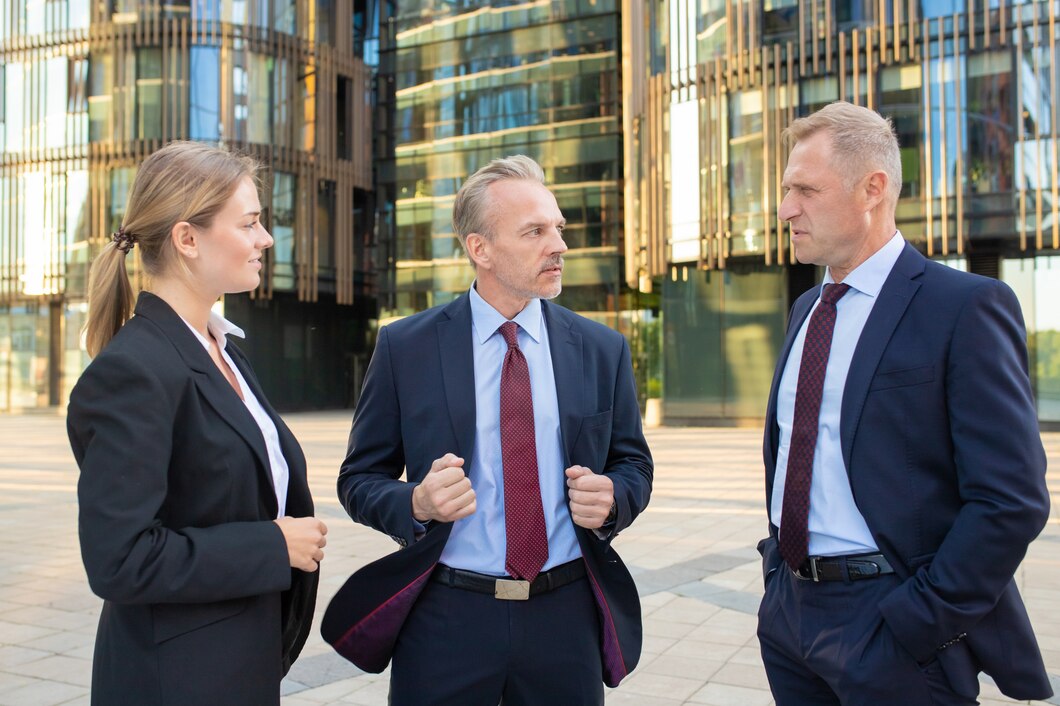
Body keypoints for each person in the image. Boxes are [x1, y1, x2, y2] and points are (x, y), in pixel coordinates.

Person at [323, 155, 653, 705]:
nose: (559, 246)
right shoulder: (406, 347)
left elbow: (633, 463)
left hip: (565, 616)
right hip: (447, 617)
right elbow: (359, 479)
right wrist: (418, 503)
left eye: (558, 229)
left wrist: (616, 496)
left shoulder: (601, 349)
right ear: (480, 249)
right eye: (535, 232)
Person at [757, 101, 1052, 705]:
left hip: (892, 625)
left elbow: (1011, 499)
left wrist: (920, 620)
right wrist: (775, 583)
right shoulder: (806, 311)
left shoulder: (964, 306)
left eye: (805, 190)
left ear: (873, 188)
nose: (787, 208)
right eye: (787, 190)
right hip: (790, 618)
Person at [67, 141, 327, 706]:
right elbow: (120, 561)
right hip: (176, 681)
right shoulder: (133, 372)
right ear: (188, 239)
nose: (265, 239)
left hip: (237, 666)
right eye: (251, 223)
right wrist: (271, 545)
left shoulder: (224, 347)